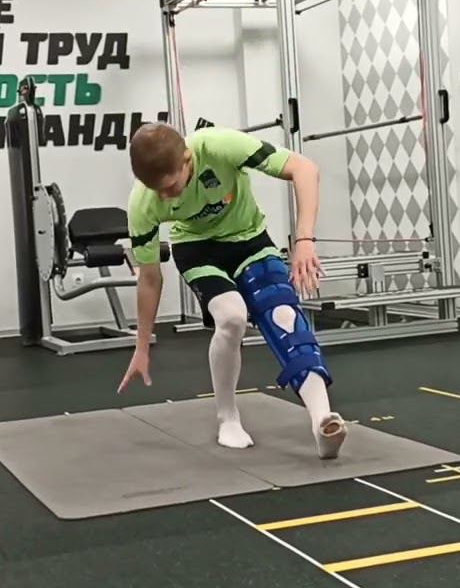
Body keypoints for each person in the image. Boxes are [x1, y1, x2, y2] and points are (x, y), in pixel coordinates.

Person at [117, 122, 347, 460]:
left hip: (249, 239)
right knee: (231, 318)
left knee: (282, 313)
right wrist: (141, 346)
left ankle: (322, 421)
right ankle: (227, 418)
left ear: (187, 159)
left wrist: (304, 241)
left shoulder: (219, 146)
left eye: (171, 187)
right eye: (157, 190)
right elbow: (150, 279)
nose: (165, 197)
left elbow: (304, 168)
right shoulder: (143, 202)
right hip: (197, 249)